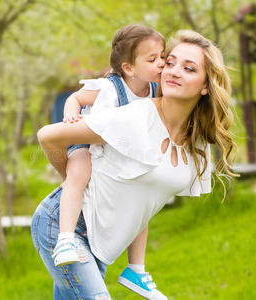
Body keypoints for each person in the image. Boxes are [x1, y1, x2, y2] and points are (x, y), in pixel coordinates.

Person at [32, 30, 237, 300]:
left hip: (103, 236)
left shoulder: (195, 140)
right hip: (63, 225)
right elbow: (48, 136)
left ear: (206, 85)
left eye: (188, 68)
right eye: (170, 62)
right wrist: (73, 178)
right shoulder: (135, 116)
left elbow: (144, 198)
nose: (173, 71)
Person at [53, 24, 165, 295]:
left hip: (115, 154)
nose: (162, 64)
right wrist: (71, 117)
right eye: (153, 59)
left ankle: (136, 269)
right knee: (78, 174)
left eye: (163, 56)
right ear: (129, 68)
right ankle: (65, 238)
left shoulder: (153, 90)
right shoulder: (109, 88)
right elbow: (75, 98)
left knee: (141, 199)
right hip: (87, 141)